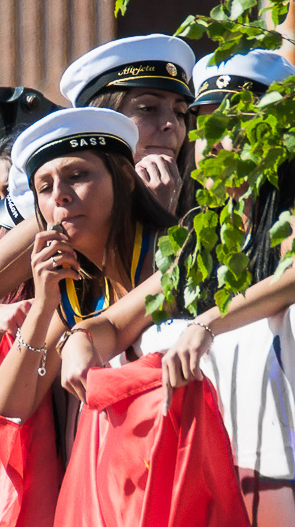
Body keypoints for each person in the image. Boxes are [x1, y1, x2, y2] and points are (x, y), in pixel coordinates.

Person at [59, 50, 295, 526]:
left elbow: (289, 276)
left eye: (236, 123)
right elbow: (117, 321)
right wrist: (80, 342)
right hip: (212, 478)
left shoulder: (286, 221)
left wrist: (207, 323)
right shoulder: (201, 239)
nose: (214, 141)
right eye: (204, 123)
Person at [0, 107, 175, 526]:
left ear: (125, 179)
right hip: (103, 499)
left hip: (172, 487)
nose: (59, 195)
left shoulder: (174, 251)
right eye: (44, 186)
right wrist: (43, 306)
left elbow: (116, 325)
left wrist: (78, 335)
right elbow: (9, 407)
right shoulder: (73, 292)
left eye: (77, 176)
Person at [59, 34, 196, 212]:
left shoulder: (207, 213)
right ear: (102, 120)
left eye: (180, 113)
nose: (171, 124)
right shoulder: (62, 203)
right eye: (148, 108)